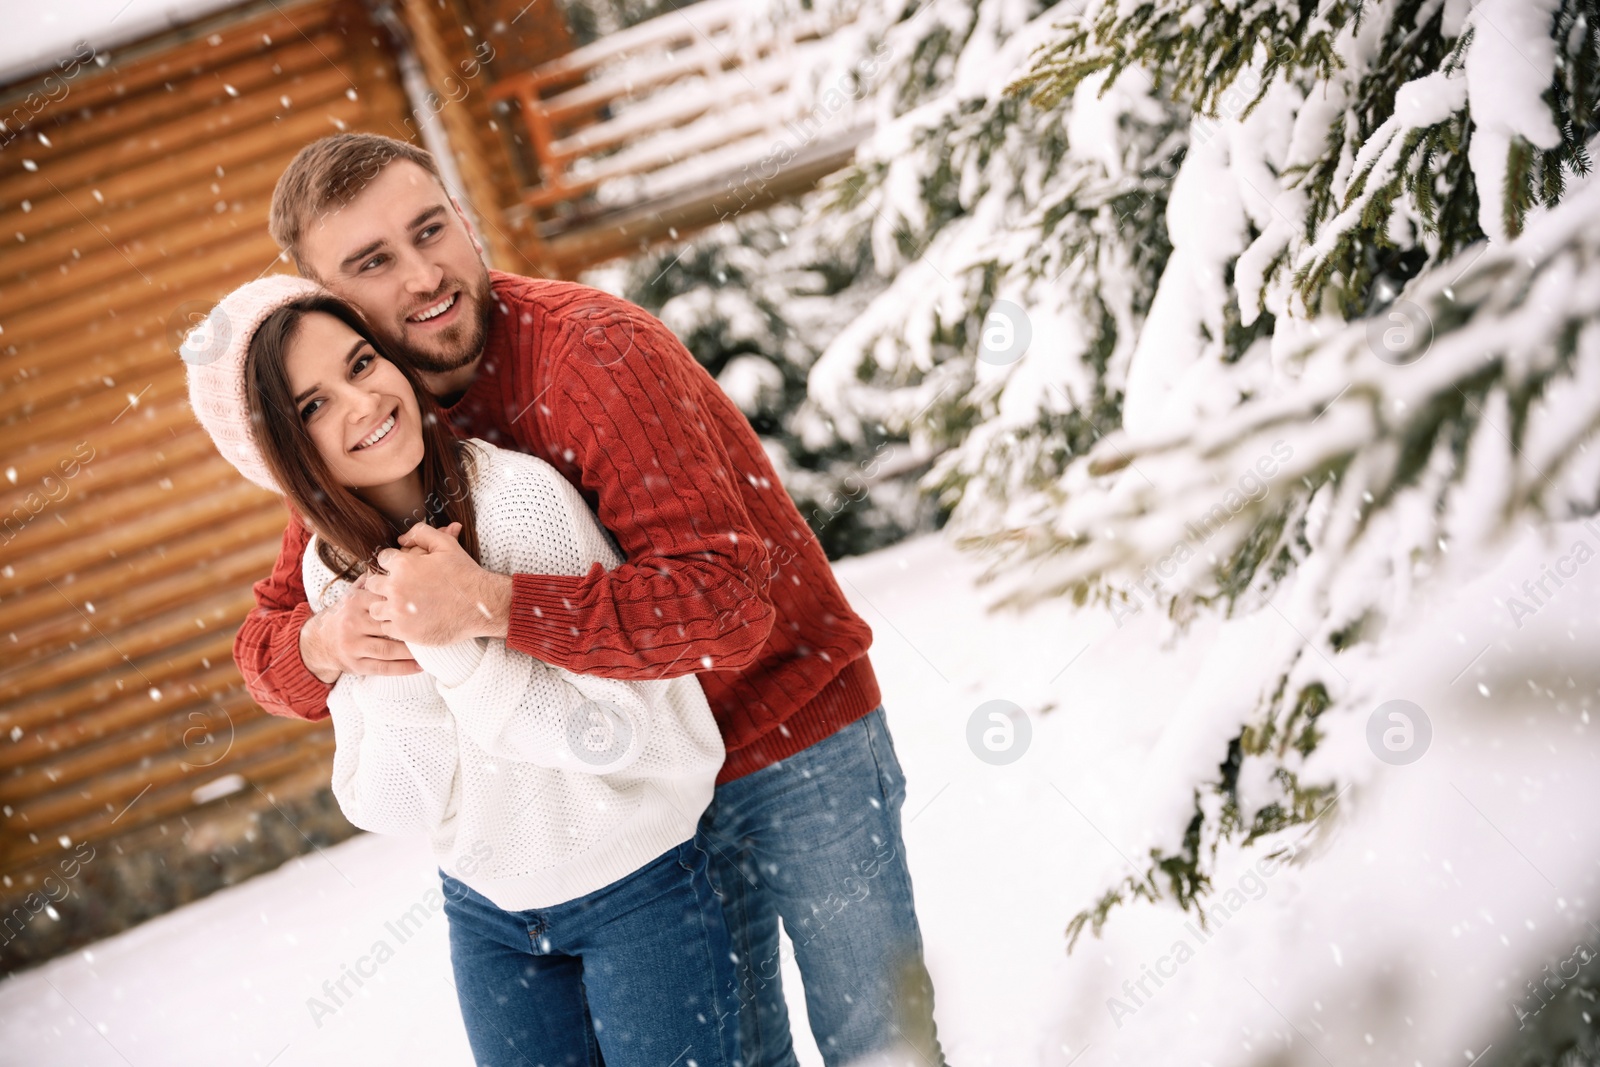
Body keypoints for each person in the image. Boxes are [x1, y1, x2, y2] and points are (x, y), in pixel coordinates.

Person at [236, 132, 948, 1067]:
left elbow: (728, 606)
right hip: (644, 806)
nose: (423, 274)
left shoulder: (591, 356)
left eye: (430, 229)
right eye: (374, 262)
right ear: (325, 299)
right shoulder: (370, 418)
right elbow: (270, 651)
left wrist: (491, 602)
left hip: (788, 728)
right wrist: (330, 641)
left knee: (878, 1042)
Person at [184, 275, 740, 1066]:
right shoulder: (331, 575)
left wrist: (455, 638)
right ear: (284, 453)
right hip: (488, 920)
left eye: (362, 362)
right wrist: (397, 661)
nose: (363, 401)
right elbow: (390, 800)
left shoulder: (517, 501)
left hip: (638, 889)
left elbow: (618, 732)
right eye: (313, 406)